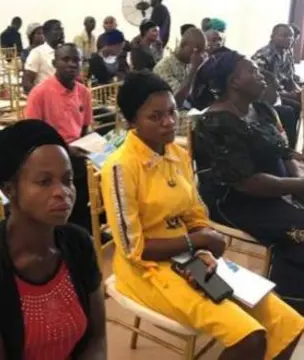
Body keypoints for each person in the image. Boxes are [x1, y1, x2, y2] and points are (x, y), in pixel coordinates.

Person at [103, 70, 304, 360]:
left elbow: (195, 212)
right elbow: (134, 249)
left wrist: (204, 250)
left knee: (288, 323)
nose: (169, 122)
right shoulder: (121, 167)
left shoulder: (177, 154)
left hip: (193, 257)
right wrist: (199, 241)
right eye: (155, 116)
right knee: (251, 338)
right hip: (148, 270)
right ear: (132, 122)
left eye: (172, 112)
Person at [0, 120, 106, 359]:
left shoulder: (78, 244)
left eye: (67, 180)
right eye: (44, 181)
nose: (61, 192)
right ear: (9, 189)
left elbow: (96, 338)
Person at [191, 51, 304, 313]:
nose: (261, 75)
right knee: (299, 231)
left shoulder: (261, 109)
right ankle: (284, 309)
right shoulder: (216, 122)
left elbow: (283, 151)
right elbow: (245, 182)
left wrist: (297, 184)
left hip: (276, 186)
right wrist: (297, 188)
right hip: (233, 198)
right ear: (234, 82)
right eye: (252, 71)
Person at [24, 43, 93, 232]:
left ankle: (87, 228)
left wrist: (90, 146)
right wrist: (65, 148)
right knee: (77, 177)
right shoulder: (40, 93)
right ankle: (68, 229)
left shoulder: (83, 92)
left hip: (77, 151)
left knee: (105, 174)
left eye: (76, 60)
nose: (71, 64)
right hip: (49, 154)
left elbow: (84, 127)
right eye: (66, 60)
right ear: (54, 63)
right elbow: (31, 135)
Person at [252, 24, 301, 115]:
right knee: (293, 108)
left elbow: (290, 78)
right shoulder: (263, 56)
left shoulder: (287, 53)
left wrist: (299, 92)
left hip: (282, 92)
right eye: (285, 35)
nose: (290, 39)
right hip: (266, 97)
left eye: (292, 36)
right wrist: (287, 94)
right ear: (272, 37)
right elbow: (260, 88)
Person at [154, 27, 207, 107]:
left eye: (202, 51)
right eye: (196, 50)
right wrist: (194, 69)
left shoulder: (189, 63)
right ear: (183, 45)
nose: (199, 56)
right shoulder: (165, 66)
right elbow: (176, 102)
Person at [23, 19, 64, 93]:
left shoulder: (64, 51)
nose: (61, 32)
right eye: (57, 29)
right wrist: (43, 97)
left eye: (61, 29)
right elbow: (27, 84)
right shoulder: (37, 53)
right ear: (46, 33)